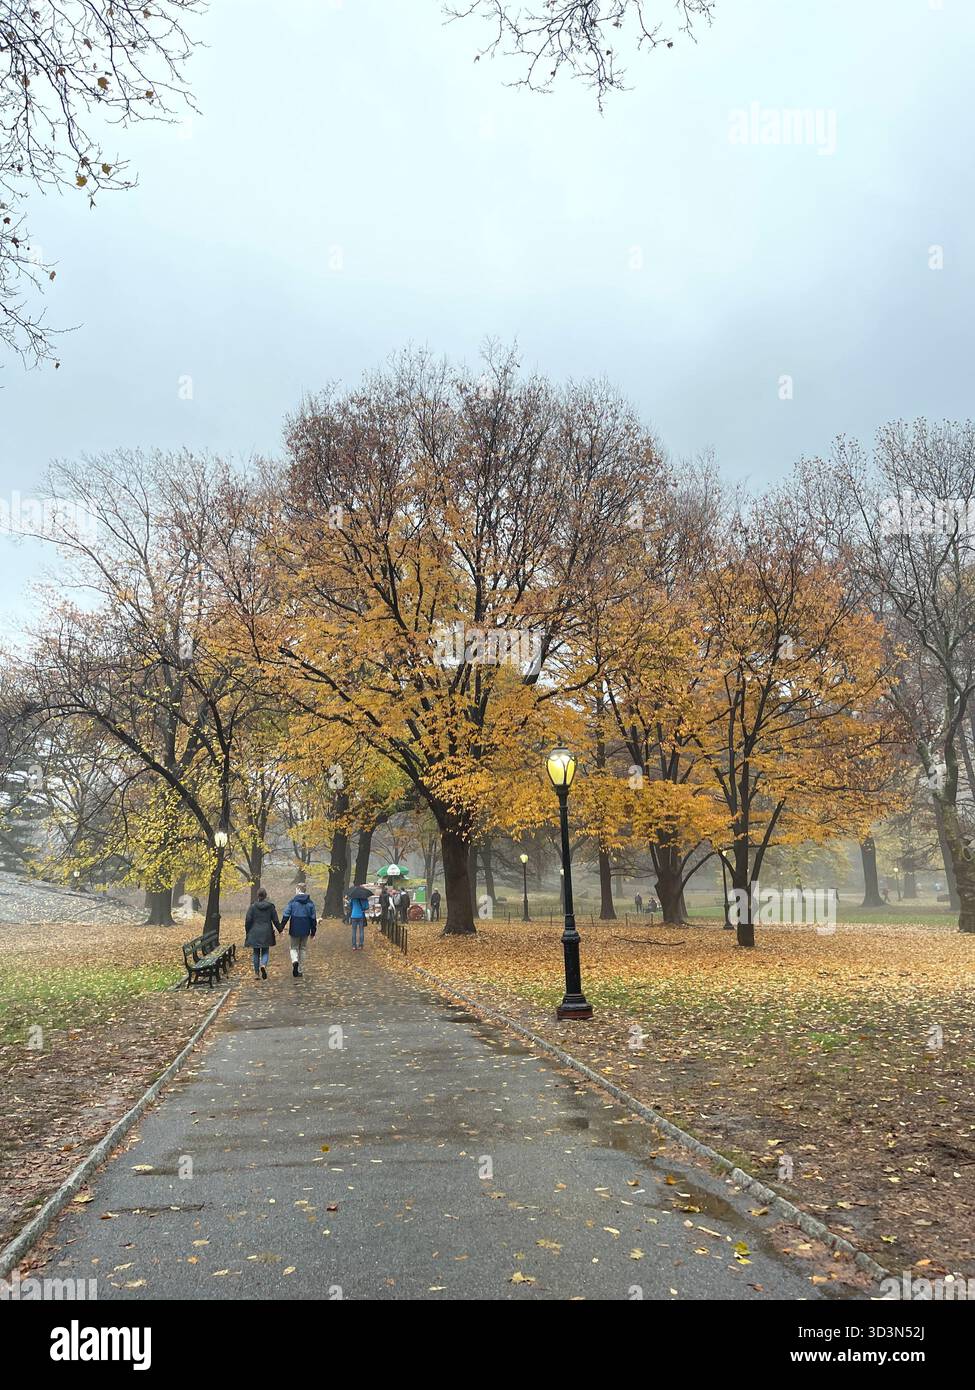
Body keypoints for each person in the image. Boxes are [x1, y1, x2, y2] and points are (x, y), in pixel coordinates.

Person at [244, 888, 281, 980]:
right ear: (265, 896)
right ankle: (263, 965)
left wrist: (248, 931)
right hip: (267, 932)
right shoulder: (271, 906)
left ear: (258, 895)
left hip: (255, 932)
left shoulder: (252, 907)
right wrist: (280, 929)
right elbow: (275, 920)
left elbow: (248, 920)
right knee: (265, 951)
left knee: (256, 952)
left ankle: (256, 974)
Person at [281, 884, 317, 977]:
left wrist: (281, 927)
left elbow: (286, 915)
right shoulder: (310, 903)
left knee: (293, 947)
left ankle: (295, 961)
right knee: (303, 948)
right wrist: (313, 931)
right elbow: (313, 918)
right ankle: (300, 969)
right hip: (306, 928)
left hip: (295, 928)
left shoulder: (292, 902)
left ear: (297, 889)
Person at [349, 884, 370, 950]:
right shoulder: (365, 899)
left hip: (353, 915)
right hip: (361, 916)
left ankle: (354, 946)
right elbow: (366, 907)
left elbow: (350, 906)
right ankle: (360, 945)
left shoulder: (353, 898)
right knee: (361, 930)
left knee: (354, 931)